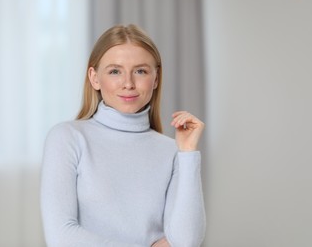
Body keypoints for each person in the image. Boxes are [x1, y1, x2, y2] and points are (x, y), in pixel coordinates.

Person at [40, 24, 206, 247]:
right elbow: (60, 237)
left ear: (155, 78)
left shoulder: (171, 151)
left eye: (140, 71)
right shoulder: (67, 138)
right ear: (94, 77)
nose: (128, 83)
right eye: (115, 71)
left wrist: (188, 154)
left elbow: (187, 242)